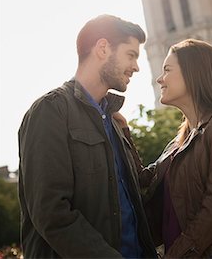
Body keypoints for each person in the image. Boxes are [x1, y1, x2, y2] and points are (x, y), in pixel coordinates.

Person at [18, 14, 157, 258]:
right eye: (131, 55)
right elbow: (51, 212)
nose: (136, 66)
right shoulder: (50, 111)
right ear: (103, 48)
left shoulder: (113, 122)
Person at [119, 38, 212, 258]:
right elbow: (143, 180)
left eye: (167, 70)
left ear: (194, 74)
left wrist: (177, 254)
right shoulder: (178, 143)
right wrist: (124, 131)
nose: (159, 79)